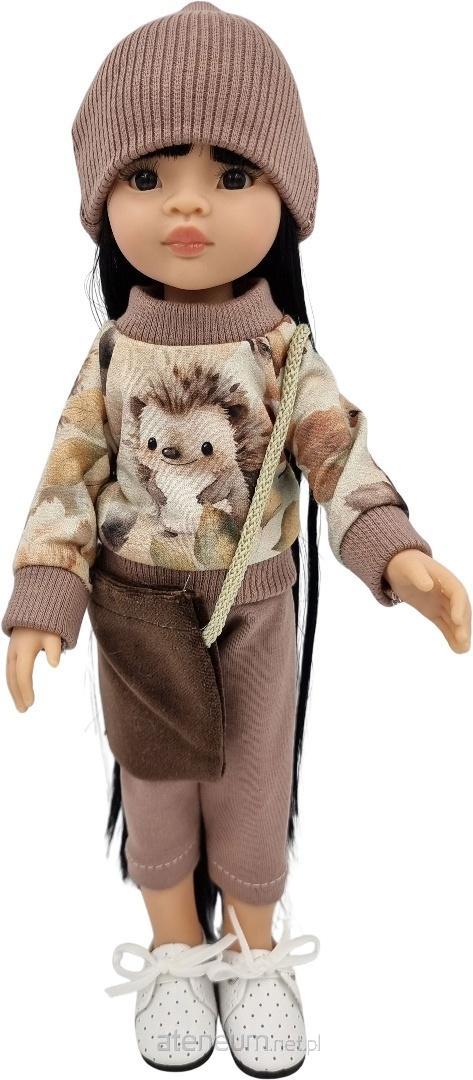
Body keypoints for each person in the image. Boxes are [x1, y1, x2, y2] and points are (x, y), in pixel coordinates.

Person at [3, 3, 471, 1075]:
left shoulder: (283, 352)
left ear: (287, 200)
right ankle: (176, 949)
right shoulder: (109, 358)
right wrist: (46, 600)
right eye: (147, 174)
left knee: (254, 781)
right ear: (101, 203)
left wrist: (395, 554)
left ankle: (254, 952)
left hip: (254, 608)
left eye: (230, 174)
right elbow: (69, 475)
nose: (186, 204)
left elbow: (335, 456)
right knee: (155, 783)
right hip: (134, 611)